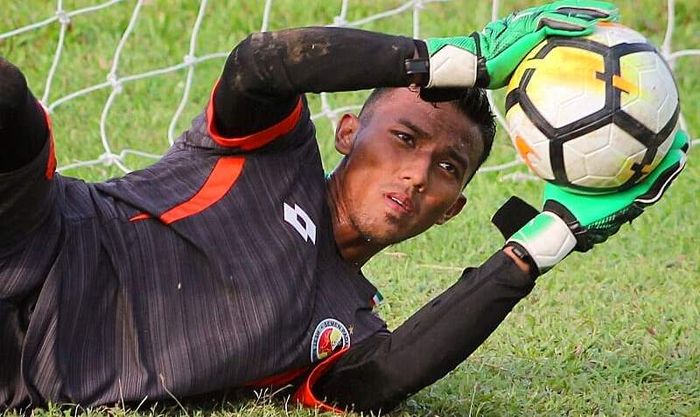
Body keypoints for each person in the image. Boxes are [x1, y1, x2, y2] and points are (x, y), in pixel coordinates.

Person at [0, 0, 688, 413]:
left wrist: (550, 238)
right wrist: (451, 61)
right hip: (37, 233)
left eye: (447, 167)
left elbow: (382, 381)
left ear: (453, 208)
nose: (418, 173)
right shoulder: (266, 153)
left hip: (25, 371)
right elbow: (261, 64)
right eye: (405, 137)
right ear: (348, 133)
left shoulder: (349, 326)